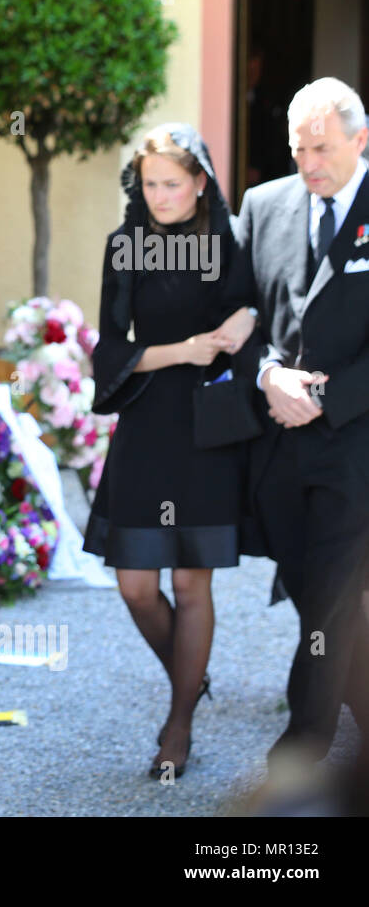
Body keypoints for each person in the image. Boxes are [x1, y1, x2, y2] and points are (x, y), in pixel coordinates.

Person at [83, 123, 258, 778]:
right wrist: (185, 349)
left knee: (190, 580)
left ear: (200, 183)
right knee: (135, 584)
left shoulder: (225, 241)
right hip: (147, 416)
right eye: (150, 183)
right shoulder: (123, 246)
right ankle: (191, 676)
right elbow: (110, 348)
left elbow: (252, 304)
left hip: (206, 423)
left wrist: (241, 322)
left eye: (172, 183)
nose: (160, 195)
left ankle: (178, 722)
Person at [234, 77, 369, 778]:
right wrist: (268, 376)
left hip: (356, 439)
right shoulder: (263, 206)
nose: (309, 162)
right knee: (315, 587)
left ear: (360, 139)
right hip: (279, 438)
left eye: (321, 147)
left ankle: (307, 734)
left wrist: (329, 396)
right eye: (298, 149)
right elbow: (237, 312)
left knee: (338, 583)